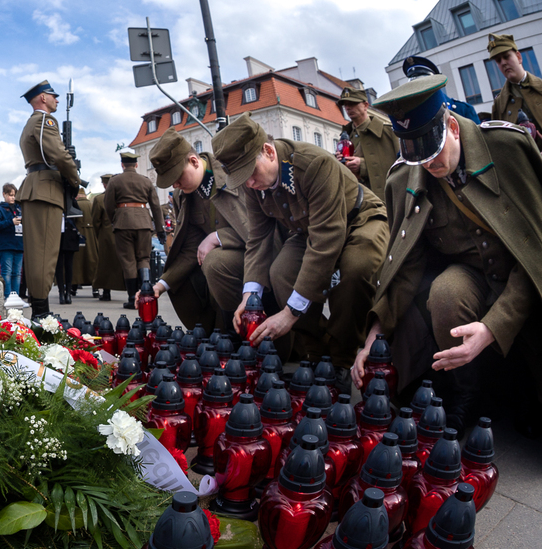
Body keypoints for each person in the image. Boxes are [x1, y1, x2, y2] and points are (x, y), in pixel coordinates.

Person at [354, 74, 542, 432]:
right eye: (417, 156)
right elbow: (404, 266)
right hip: (472, 274)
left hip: (528, 275)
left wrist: (492, 327)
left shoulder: (507, 148)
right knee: (445, 294)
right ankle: (468, 393)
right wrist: (375, 335)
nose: (428, 164)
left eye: (433, 148)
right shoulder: (404, 180)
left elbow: (537, 249)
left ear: (453, 127)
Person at [213, 114, 390, 394]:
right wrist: (249, 296)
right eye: (241, 178)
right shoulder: (253, 184)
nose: (249, 184)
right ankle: (318, 355)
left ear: (269, 152)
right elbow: (258, 239)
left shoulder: (314, 164)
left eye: (250, 173)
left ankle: (342, 361)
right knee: (281, 272)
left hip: (359, 218)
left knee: (356, 268)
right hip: (309, 230)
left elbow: (327, 240)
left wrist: (290, 313)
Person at [144, 128, 250, 330]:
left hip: (252, 257)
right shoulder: (182, 194)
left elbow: (259, 229)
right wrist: (160, 285)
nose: (175, 183)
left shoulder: (232, 174)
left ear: (194, 161)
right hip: (215, 265)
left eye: (177, 176)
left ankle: (235, 334)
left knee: (215, 262)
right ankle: (211, 333)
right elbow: (191, 246)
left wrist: (217, 237)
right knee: (182, 279)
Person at [16, 80, 80, 319]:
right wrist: (74, 177)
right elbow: (59, 156)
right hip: (45, 189)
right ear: (43, 97)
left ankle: (40, 310)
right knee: (45, 253)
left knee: (38, 252)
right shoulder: (45, 121)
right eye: (53, 95)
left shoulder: (32, 123)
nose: (57, 99)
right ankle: (42, 316)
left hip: (37, 187)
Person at [104, 152, 165, 308]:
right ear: (136, 165)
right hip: (144, 222)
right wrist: (160, 228)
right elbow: (156, 206)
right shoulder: (145, 181)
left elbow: (108, 205)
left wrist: (114, 220)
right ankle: (144, 294)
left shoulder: (115, 181)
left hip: (123, 223)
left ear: (122, 164)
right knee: (143, 258)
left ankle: (132, 298)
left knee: (128, 261)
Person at [336, 87, 399, 203]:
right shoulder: (345, 137)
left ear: (365, 105)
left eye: (353, 103)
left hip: (387, 200)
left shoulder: (388, 133)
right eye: (345, 104)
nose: (348, 108)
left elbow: (401, 165)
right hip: (358, 199)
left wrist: (363, 165)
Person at [488, 33, 542, 149]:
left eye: (506, 57)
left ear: (518, 57)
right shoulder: (499, 103)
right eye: (498, 60)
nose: (503, 63)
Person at [401, 56, 481, 123]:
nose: (419, 89)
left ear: (436, 83)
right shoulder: (411, 115)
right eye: (415, 85)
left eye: (424, 83)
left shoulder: (463, 109)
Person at [0, 183, 28, 308]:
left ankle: (16, 297)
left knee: (17, 273)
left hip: (19, 245)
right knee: (6, 272)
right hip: (6, 246)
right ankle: (7, 297)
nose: (13, 198)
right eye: (10, 195)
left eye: (14, 195)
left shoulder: (19, 209)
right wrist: (10, 222)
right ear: (4, 195)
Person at [91, 174, 126, 300]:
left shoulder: (100, 199)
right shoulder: (123, 197)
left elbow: (95, 220)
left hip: (106, 235)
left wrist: (98, 234)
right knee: (125, 262)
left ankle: (106, 292)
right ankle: (131, 293)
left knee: (105, 263)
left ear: (104, 184)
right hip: (123, 233)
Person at [72, 188, 99, 297]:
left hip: (78, 236)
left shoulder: (74, 205)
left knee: (76, 263)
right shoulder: (92, 204)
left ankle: (73, 288)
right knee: (93, 261)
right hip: (91, 237)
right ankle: (95, 289)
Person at [55, 214, 80, 304]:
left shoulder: (71, 201)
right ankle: (61, 292)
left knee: (69, 266)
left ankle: (68, 293)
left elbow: (79, 215)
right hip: (58, 236)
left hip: (69, 235)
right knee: (59, 266)